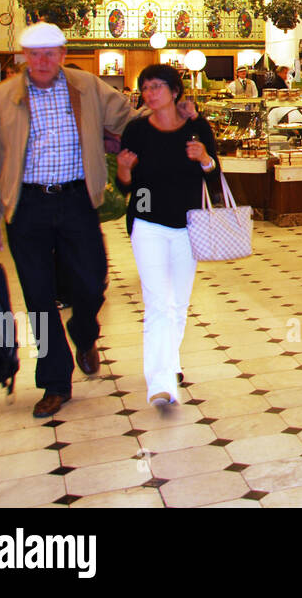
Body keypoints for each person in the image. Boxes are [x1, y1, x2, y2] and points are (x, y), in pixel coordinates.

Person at [0, 22, 194, 418]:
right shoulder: (1, 98)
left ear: (62, 53)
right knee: (39, 298)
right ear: (24, 57)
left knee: (91, 284)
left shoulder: (86, 86)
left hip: (77, 201)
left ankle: (84, 332)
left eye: (50, 53)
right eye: (34, 54)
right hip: (26, 207)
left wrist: (172, 112)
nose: (42, 61)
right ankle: (54, 382)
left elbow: (131, 119)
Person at [115, 65, 221, 407]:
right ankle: (160, 380)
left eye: (157, 86)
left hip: (188, 224)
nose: (149, 93)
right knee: (158, 302)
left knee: (178, 302)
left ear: (176, 91)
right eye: (145, 87)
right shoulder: (136, 131)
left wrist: (204, 158)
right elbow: (125, 186)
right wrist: (123, 170)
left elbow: (214, 174)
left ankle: (170, 362)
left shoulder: (196, 128)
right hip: (147, 223)